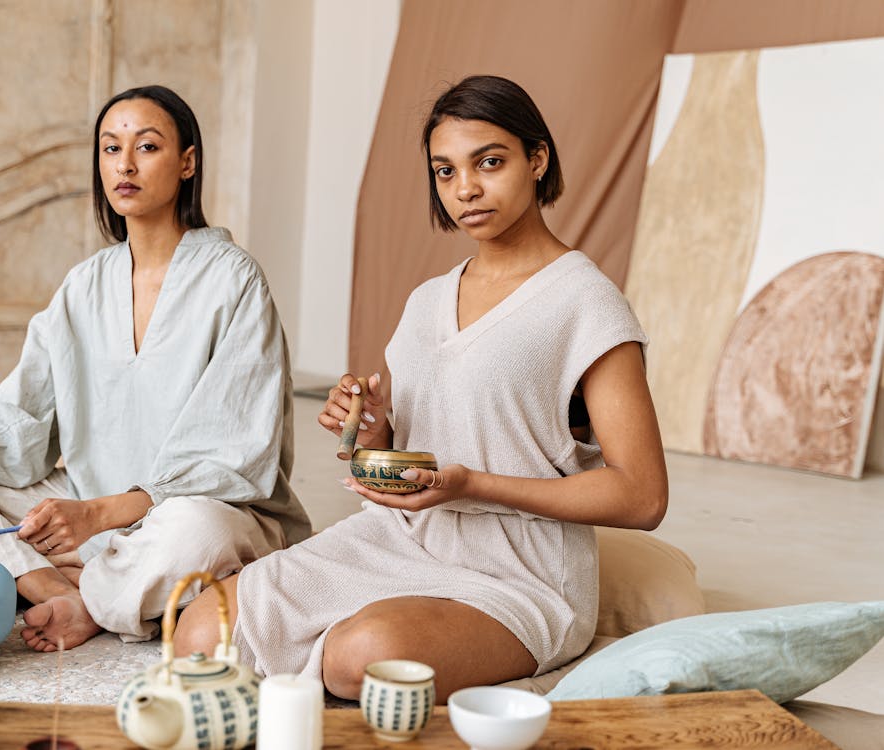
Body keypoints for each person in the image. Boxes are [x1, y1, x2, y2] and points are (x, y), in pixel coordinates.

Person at [172, 75, 668, 701]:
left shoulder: (586, 302)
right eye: (445, 171)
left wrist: (471, 485)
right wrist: (368, 430)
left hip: (519, 573)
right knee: (201, 630)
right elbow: (409, 447)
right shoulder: (426, 301)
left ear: (537, 159)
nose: (466, 189)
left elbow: (643, 495)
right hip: (398, 538)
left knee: (363, 657)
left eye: (489, 162)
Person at [0, 85, 310, 652]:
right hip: (86, 508)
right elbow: (22, 411)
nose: (124, 164)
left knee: (197, 533)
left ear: (187, 162)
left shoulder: (234, 279)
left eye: (147, 147)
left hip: (190, 513)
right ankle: (61, 587)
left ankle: (88, 591)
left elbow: (234, 454)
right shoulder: (84, 285)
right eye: (109, 148)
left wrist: (98, 516)